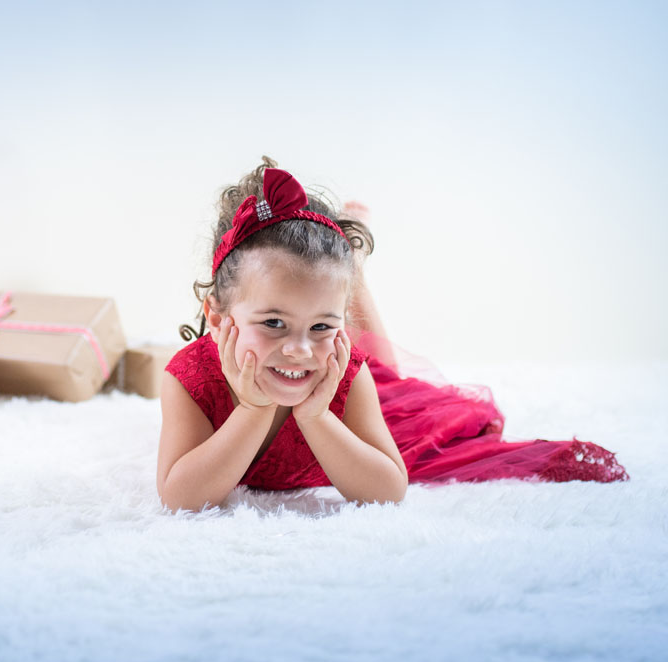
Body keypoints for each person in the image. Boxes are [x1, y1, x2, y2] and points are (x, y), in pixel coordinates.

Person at [156, 158, 629, 512]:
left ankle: (354, 270)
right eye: (273, 323)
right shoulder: (189, 380)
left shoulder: (344, 374)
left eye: (322, 326)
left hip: (360, 395)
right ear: (217, 318)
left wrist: (318, 417)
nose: (298, 349)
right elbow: (179, 496)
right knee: (385, 365)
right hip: (258, 380)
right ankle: (351, 272)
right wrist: (255, 408)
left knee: (388, 373)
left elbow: (389, 489)